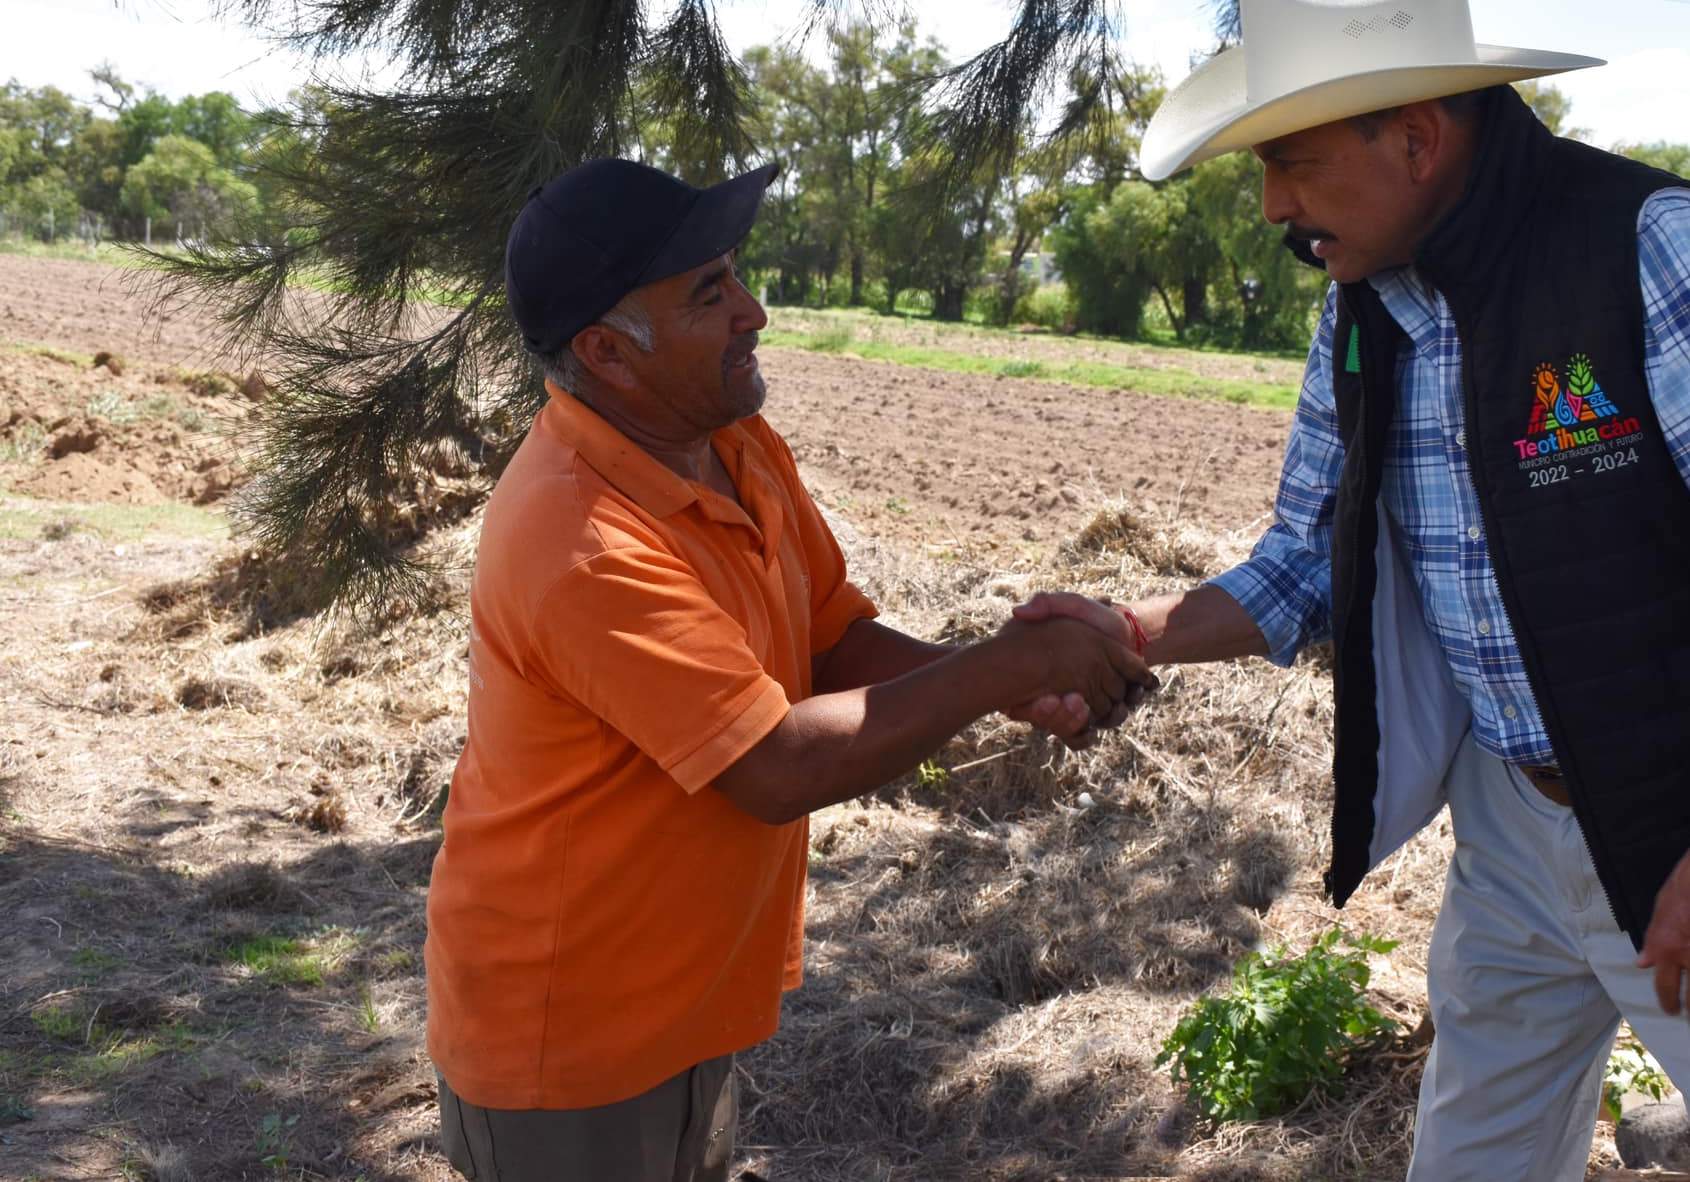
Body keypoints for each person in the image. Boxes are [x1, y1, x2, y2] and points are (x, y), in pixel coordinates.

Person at [1015, 0, 1690, 1181]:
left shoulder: (1656, 251)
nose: (1274, 205)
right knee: (1473, 1152)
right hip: (1513, 825)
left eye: (1289, 160)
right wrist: (1126, 631)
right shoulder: (1363, 309)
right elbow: (1302, 562)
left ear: (1416, 137)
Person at [424, 156, 1150, 1181]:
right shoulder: (578, 537)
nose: (753, 311)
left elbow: (823, 637)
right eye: (709, 293)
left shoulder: (732, 443)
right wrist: (1005, 665)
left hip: (678, 994)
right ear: (606, 352)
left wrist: (1015, 683)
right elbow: (772, 766)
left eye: (736, 275)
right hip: (567, 1027)